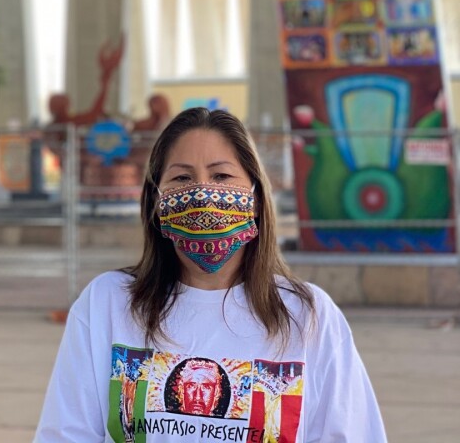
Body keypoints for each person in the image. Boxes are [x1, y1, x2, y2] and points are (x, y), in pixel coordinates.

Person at [34, 107, 388, 442]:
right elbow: (66, 433)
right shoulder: (107, 304)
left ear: (256, 196)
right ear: (157, 202)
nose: (202, 194)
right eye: (182, 178)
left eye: (221, 175)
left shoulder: (307, 316)